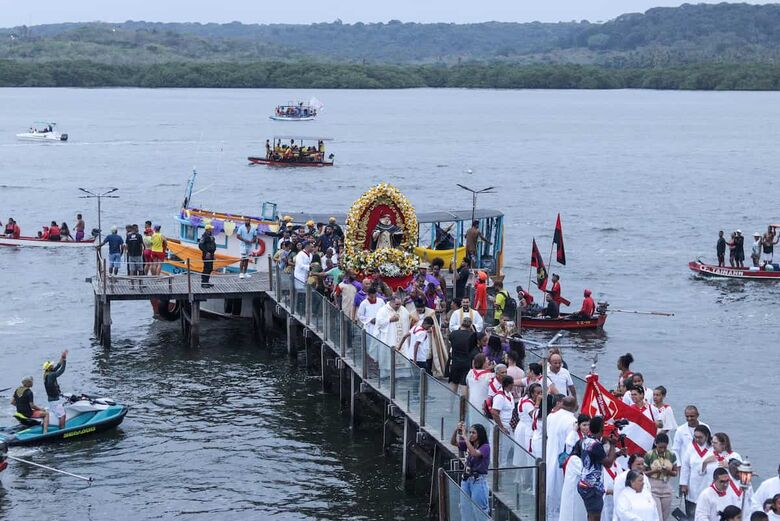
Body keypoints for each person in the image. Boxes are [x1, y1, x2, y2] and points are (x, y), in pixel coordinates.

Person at [578, 416, 618, 521]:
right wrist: (612, 445)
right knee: (595, 517)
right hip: (593, 487)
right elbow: (608, 463)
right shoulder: (596, 445)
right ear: (601, 429)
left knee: (591, 515)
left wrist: (617, 453)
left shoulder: (585, 440)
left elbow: (597, 457)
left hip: (584, 482)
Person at [546, 396, 579, 515]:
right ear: (575, 406)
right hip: (563, 459)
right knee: (560, 488)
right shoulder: (572, 422)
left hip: (550, 454)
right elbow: (571, 443)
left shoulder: (551, 416)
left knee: (551, 485)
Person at [452, 422, 490, 515]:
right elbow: (453, 442)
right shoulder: (470, 444)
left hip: (478, 481)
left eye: (473, 433)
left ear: (480, 434)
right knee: (465, 509)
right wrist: (456, 430)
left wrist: (465, 437)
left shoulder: (485, 447)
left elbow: (474, 453)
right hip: (466, 479)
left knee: (480, 510)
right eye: (470, 432)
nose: (471, 435)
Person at [681, 425, 717, 518]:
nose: (697, 439)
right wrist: (683, 484)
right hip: (693, 484)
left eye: (700, 437)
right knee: (692, 512)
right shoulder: (691, 447)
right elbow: (685, 466)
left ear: (707, 436)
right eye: (695, 437)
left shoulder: (714, 448)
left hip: (708, 482)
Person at [644, 432, 678, 521]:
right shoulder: (649, 455)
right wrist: (654, 471)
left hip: (666, 488)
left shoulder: (672, 455)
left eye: (665, 447)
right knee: (658, 517)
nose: (662, 450)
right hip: (653, 488)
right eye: (660, 447)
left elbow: (675, 473)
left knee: (664, 517)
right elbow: (643, 473)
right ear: (656, 444)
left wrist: (668, 471)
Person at [448, 316, 475, 394]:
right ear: (470, 325)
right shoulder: (472, 336)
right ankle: (464, 402)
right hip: (467, 362)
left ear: (461, 323)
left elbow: (450, 342)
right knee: (464, 384)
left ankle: (451, 401)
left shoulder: (453, 334)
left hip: (455, 362)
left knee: (454, 383)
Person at [43, 350, 68, 429]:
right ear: (50, 367)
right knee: (62, 415)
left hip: (51, 400)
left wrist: (63, 358)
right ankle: (62, 430)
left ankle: (59, 427)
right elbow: (61, 370)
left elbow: (58, 365)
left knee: (59, 414)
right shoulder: (51, 375)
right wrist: (65, 362)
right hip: (55, 400)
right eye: (51, 365)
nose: (53, 365)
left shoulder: (47, 374)